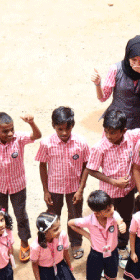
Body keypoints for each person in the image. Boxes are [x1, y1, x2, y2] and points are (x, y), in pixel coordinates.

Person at [84, 109, 140, 267]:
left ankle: (122, 248)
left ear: (123, 131)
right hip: (109, 194)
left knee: (125, 219)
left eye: (113, 133)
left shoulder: (131, 137)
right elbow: (91, 170)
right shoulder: (99, 147)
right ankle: (106, 251)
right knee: (107, 222)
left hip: (127, 191)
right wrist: (114, 182)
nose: (108, 135)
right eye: (106, 131)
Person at [0, 107, 41, 262]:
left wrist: (31, 123)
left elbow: (37, 135)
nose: (10, 133)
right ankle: (5, 243)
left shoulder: (18, 138)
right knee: (1, 216)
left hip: (18, 186)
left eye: (11, 129)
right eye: (5, 131)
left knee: (21, 214)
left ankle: (24, 242)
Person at [36, 106, 89, 260]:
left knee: (75, 215)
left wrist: (80, 189)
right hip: (54, 188)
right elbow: (42, 166)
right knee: (53, 217)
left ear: (73, 125)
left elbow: (86, 166)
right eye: (60, 129)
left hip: (74, 188)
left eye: (68, 128)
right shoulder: (46, 143)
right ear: (54, 126)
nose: (64, 133)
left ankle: (76, 243)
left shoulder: (81, 142)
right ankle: (53, 242)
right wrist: (46, 191)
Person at [69, 191, 127, 280]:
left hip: (112, 253)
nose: (111, 210)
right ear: (97, 213)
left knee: (112, 276)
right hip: (96, 255)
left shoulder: (113, 215)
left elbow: (120, 220)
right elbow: (70, 223)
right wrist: (87, 236)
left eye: (111, 206)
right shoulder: (89, 220)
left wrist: (122, 225)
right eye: (107, 209)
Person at [92, 35, 140, 129]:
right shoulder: (116, 70)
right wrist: (98, 84)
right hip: (118, 123)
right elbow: (103, 98)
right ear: (128, 56)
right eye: (133, 60)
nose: (137, 64)